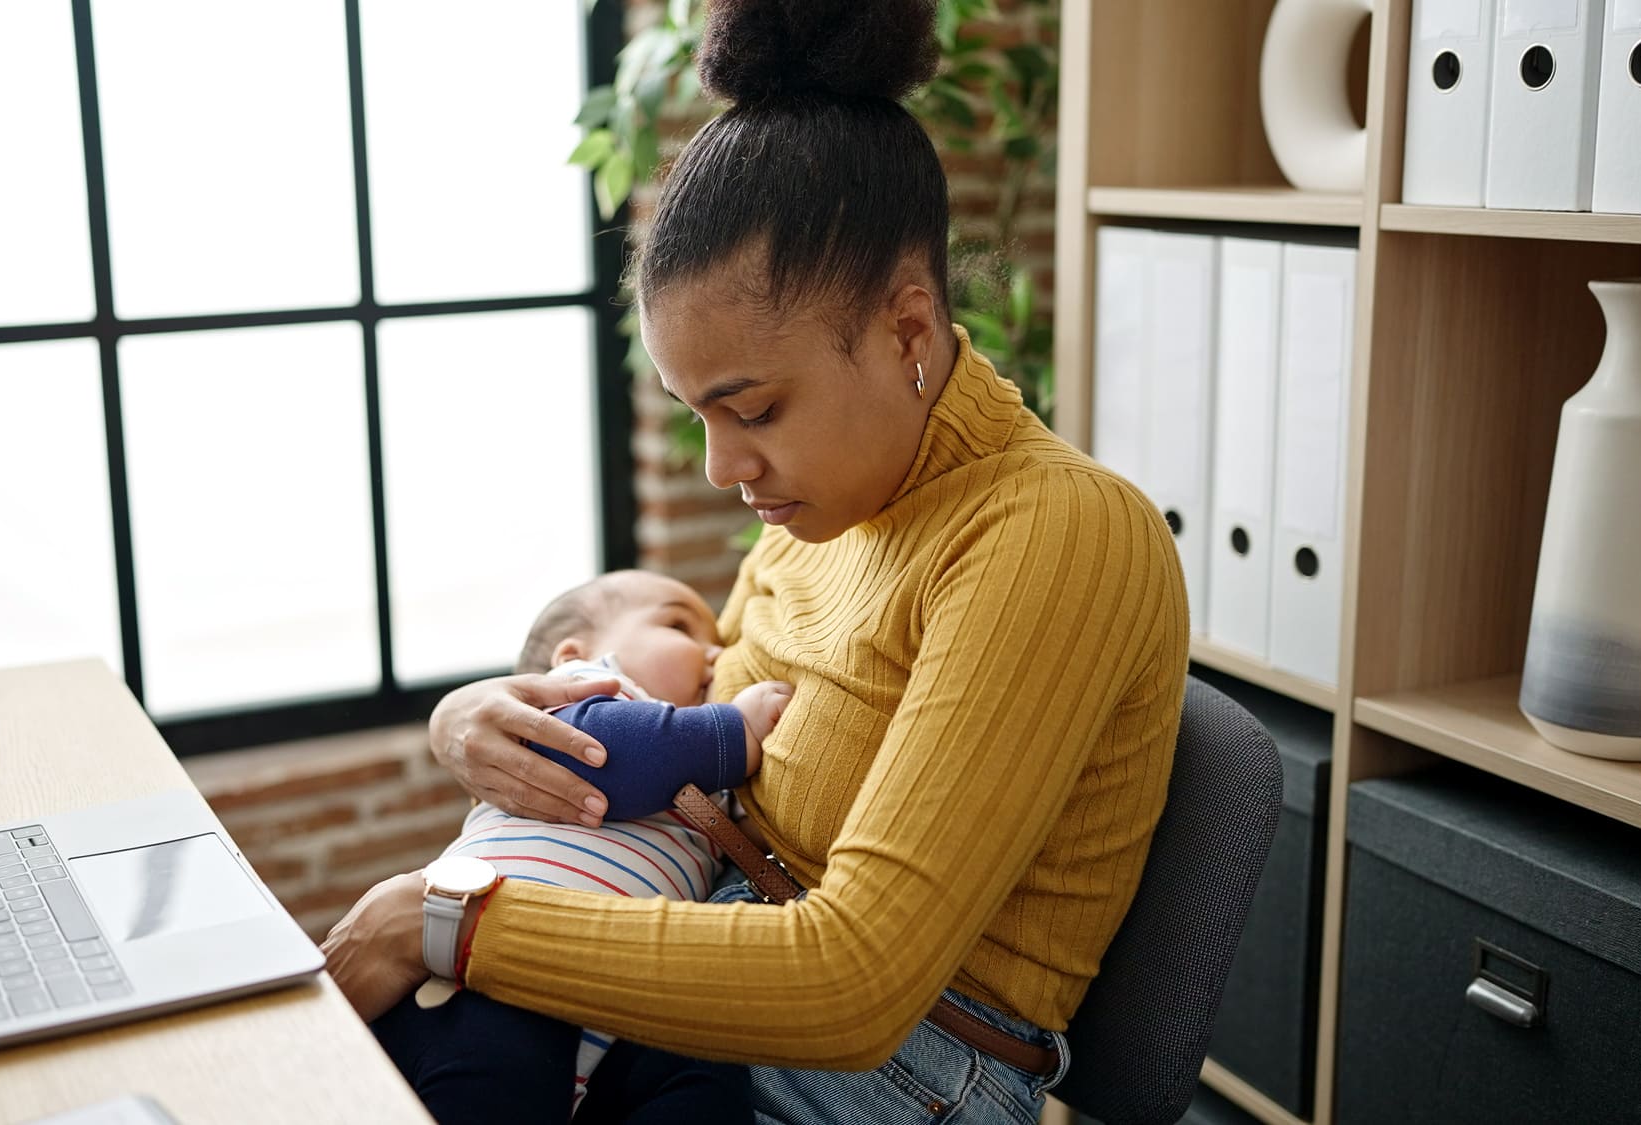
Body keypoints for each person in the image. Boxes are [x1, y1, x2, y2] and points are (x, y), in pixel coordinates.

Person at [323, 1, 1190, 1122]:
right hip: (703, 967)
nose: (722, 466)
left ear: (909, 334)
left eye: (755, 410)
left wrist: (441, 917)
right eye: (695, 415)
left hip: (884, 1067)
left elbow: (853, 986)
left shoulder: (1053, 536)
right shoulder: (829, 505)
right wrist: (476, 718)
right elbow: (703, 707)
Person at [370, 569, 792, 1124]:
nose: (713, 655)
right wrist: (732, 728)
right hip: (484, 982)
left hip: (602, 1002)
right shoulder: (571, 703)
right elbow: (613, 755)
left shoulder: (701, 772)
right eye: (678, 625)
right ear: (577, 652)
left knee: (708, 1078)